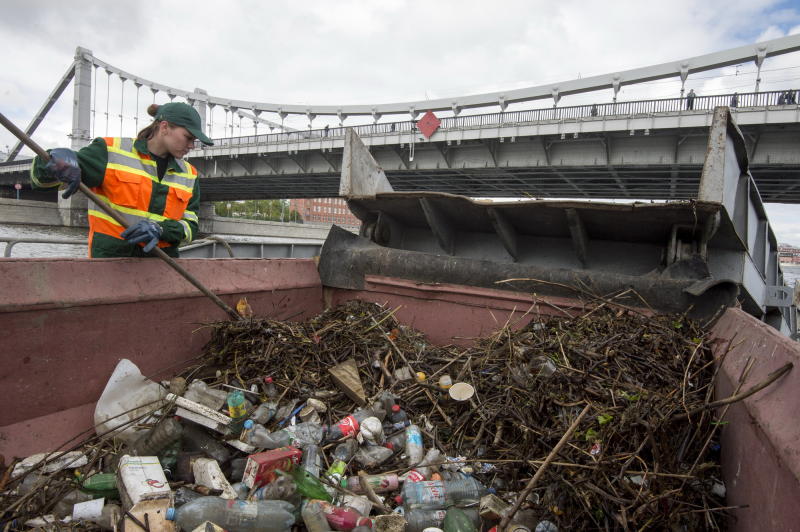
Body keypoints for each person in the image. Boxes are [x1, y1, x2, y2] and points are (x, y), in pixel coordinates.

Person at [30, 102, 213, 258]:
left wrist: (160, 230)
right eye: (188, 137)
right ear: (164, 127)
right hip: (109, 267)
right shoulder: (109, 152)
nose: (191, 146)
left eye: (194, 140)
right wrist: (52, 161)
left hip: (162, 270)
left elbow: (190, 227)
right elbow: (40, 180)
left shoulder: (190, 174)